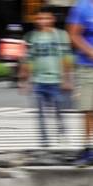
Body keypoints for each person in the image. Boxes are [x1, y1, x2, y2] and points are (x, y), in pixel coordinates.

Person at [19, 6, 73, 148]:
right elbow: (28, 59)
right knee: (41, 115)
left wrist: (67, 79)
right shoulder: (31, 37)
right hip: (38, 81)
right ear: (36, 20)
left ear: (53, 19)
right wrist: (24, 80)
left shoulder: (61, 35)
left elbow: (66, 58)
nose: (43, 21)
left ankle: (62, 133)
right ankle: (44, 142)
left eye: (47, 18)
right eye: (40, 18)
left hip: (56, 80)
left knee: (59, 112)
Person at [67, 0, 93, 165]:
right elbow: (73, 34)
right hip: (87, 68)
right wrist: (90, 52)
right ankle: (88, 148)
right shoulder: (83, 7)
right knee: (89, 109)